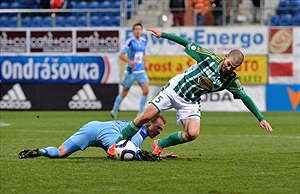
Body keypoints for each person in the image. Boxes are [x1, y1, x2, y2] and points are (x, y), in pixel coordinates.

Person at [107, 28, 273, 157]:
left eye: (232, 67)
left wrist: (261, 118)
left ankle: (160, 144)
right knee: (144, 116)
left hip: (190, 101)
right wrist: (163, 34)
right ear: (225, 56)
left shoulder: (231, 80)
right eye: (228, 63)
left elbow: (245, 97)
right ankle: (115, 145)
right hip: (174, 89)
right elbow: (186, 42)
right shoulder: (208, 57)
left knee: (193, 133)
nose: (228, 68)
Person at [18, 113, 177, 161]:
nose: (159, 132)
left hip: (93, 126)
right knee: (121, 152)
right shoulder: (140, 132)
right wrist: (156, 157)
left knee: (61, 153)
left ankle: (42, 151)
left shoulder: (136, 126)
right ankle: (110, 151)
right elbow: (133, 151)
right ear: (149, 123)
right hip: (109, 133)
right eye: (158, 128)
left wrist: (158, 154)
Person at [110, 23, 149, 120]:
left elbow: (143, 53)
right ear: (133, 31)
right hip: (131, 71)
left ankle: (140, 113)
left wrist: (146, 62)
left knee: (146, 90)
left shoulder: (144, 41)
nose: (138, 31)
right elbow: (121, 55)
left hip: (140, 70)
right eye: (136, 29)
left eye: (139, 29)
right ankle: (114, 111)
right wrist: (129, 61)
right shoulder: (130, 42)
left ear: (142, 31)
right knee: (125, 92)